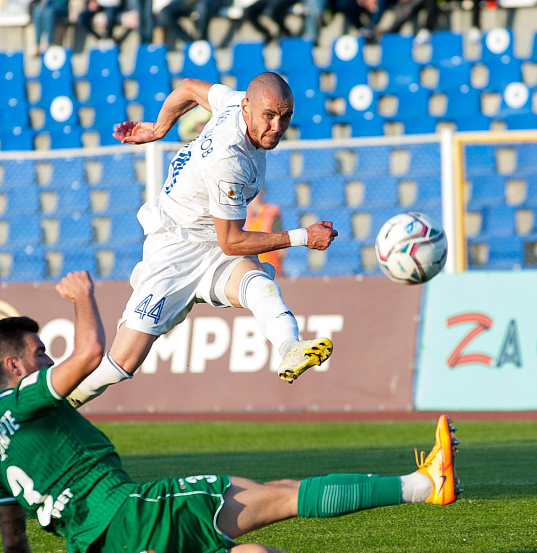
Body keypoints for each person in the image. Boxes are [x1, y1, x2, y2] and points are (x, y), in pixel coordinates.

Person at [0, 272, 460, 553]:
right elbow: (87, 355)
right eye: (40, 353)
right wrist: (82, 297)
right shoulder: (25, 396)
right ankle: (422, 485)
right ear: (14, 365)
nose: (49, 359)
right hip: (135, 514)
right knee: (284, 495)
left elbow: (13, 541)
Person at [65, 73, 337, 410]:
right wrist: (302, 237)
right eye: (269, 115)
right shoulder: (229, 159)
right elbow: (233, 242)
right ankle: (59, 401)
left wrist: (159, 128)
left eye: (286, 116)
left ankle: (290, 349)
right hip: (175, 248)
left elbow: (189, 88)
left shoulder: (234, 102)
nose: (277, 126)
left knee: (258, 285)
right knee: (123, 363)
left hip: (211, 238)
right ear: (248, 107)